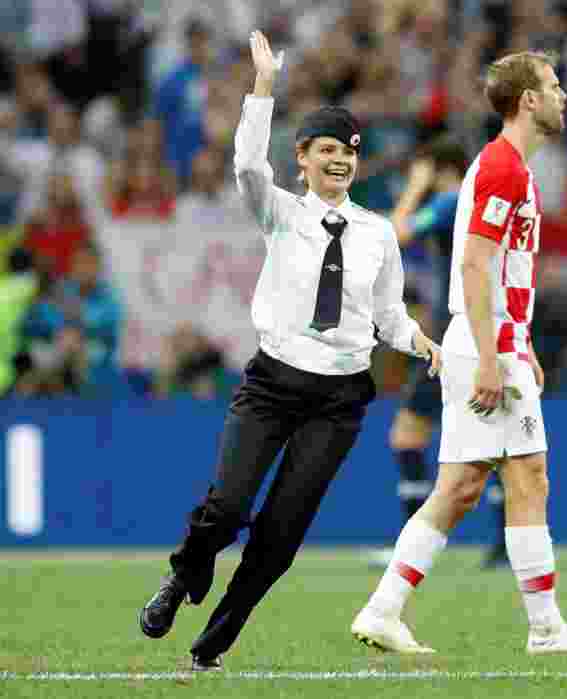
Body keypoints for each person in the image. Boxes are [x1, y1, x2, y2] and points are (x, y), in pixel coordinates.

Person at [138, 30, 442, 671]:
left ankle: (215, 641)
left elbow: (387, 316)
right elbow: (248, 165)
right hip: (272, 383)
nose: (339, 161)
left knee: (280, 535)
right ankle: (180, 578)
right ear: (301, 158)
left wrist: (419, 343)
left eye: (349, 152)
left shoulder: (377, 233)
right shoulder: (279, 212)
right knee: (227, 507)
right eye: (325, 150)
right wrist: (265, 86)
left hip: (340, 398)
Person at [350, 50, 567, 656]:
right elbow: (473, 262)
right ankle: (545, 628)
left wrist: (520, 343)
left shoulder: (510, 167)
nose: (563, 94)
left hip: (495, 338)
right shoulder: (502, 169)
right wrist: (495, 357)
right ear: (527, 101)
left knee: (467, 485)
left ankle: (385, 608)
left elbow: (501, 273)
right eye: (552, 85)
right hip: (483, 342)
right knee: (526, 477)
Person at [371, 137, 510, 570]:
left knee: (411, 435)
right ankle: (502, 545)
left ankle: (414, 547)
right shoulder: (468, 203)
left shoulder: (452, 200)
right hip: (474, 331)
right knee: (487, 442)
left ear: (436, 168)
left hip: (462, 336)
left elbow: (398, 232)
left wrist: (415, 187)